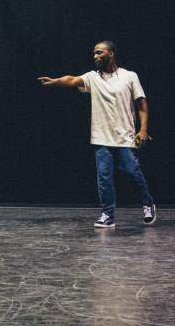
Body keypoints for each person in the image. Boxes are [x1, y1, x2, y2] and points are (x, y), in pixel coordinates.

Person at [38, 40, 156, 229]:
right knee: (104, 177)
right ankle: (107, 215)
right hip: (101, 136)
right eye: (94, 53)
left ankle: (147, 203)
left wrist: (143, 130)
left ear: (112, 54)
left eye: (99, 53)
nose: (95, 56)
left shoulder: (129, 76)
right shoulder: (93, 77)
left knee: (132, 172)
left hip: (124, 135)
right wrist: (55, 81)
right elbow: (73, 79)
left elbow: (141, 103)